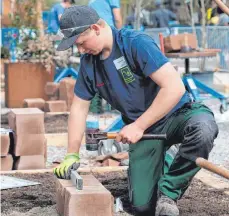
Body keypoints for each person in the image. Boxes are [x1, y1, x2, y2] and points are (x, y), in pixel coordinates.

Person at [53, 5, 219, 216]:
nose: (80, 50)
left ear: (95, 28)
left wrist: (138, 125)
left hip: (178, 114)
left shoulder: (135, 43)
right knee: (142, 207)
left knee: (203, 129)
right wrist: (71, 154)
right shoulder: (89, 64)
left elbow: (174, 87)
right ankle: (165, 158)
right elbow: (78, 108)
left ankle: (169, 192)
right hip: (146, 131)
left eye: (81, 43)